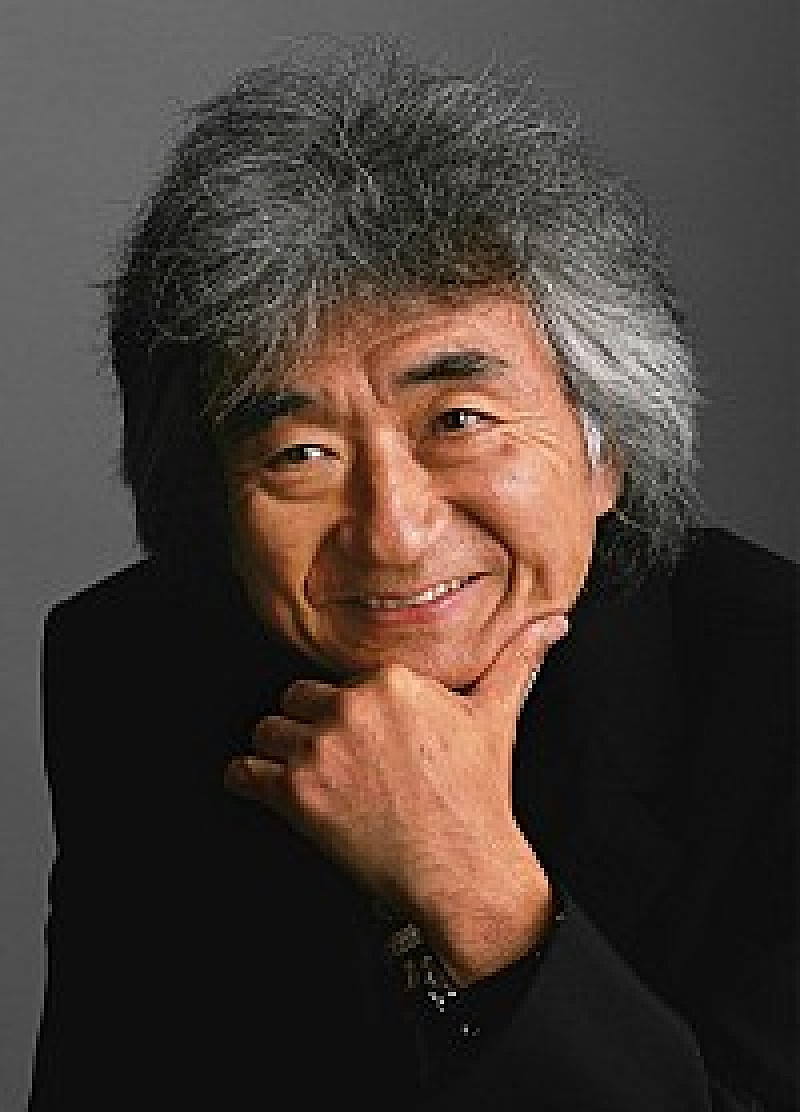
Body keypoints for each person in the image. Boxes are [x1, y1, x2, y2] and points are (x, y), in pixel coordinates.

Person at [28, 36, 796, 1112]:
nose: (392, 532)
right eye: (300, 454)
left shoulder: (776, 691)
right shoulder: (132, 665)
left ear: (606, 451)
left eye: (460, 420)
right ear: (215, 506)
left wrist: (477, 892)